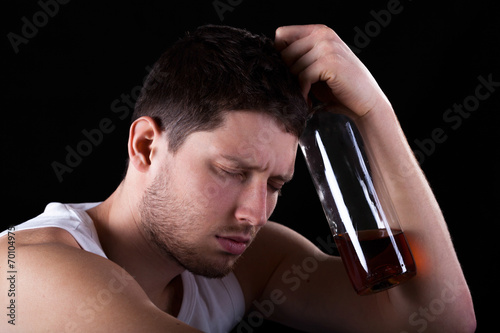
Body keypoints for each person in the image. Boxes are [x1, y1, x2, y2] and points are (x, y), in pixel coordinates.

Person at [0, 24, 476, 332]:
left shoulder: (247, 258)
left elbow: (439, 322)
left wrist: (375, 115)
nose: (254, 214)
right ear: (147, 146)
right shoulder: (25, 271)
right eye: (231, 172)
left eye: (275, 185)